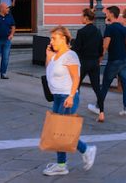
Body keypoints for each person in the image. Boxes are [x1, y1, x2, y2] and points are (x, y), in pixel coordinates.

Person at [42, 26, 96, 176]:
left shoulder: (70, 55)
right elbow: (49, 71)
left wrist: (71, 96)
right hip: (58, 97)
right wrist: (48, 55)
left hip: (67, 96)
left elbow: (76, 78)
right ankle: (62, 164)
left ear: (64, 39)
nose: (51, 41)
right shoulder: (55, 55)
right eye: (51, 38)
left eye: (54, 38)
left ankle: (85, 151)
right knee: (59, 132)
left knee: (62, 131)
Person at [94, 6, 126, 121]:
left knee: (105, 84)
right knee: (125, 84)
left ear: (111, 14)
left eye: (107, 13)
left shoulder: (109, 29)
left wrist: (100, 57)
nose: (106, 15)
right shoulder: (124, 28)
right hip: (124, 59)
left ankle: (98, 106)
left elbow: (105, 45)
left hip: (114, 60)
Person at [71, 8, 103, 114]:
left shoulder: (81, 32)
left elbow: (76, 49)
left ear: (86, 17)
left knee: (76, 86)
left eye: (82, 16)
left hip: (83, 62)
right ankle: (101, 111)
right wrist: (99, 58)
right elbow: (100, 48)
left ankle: (73, 109)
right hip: (94, 62)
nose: (81, 18)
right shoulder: (97, 31)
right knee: (97, 87)